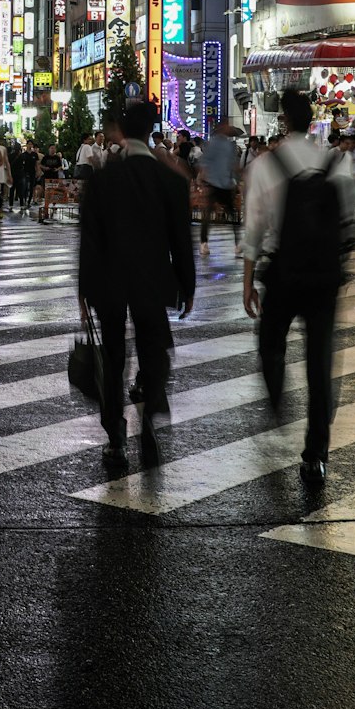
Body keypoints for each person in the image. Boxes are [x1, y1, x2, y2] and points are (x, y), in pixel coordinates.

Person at [242, 88, 355, 484]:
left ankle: (277, 398)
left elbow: (254, 230)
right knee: (320, 364)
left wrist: (247, 284)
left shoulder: (265, 165)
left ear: (284, 121)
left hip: (283, 273)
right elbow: (350, 223)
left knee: (270, 345)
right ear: (311, 122)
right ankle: (316, 455)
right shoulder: (336, 162)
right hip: (323, 277)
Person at [78, 98, 195, 470]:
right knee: (153, 349)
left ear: (124, 132)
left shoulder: (102, 180)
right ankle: (149, 422)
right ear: (151, 131)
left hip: (109, 280)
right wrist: (186, 287)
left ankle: (115, 435)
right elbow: (181, 240)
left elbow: (89, 239)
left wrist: (84, 288)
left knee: (113, 358)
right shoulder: (170, 181)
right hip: (152, 279)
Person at [198, 118, 241, 256]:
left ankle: (205, 243)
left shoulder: (225, 144)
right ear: (223, 126)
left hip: (219, 183)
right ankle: (235, 245)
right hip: (218, 183)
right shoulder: (218, 143)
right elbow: (206, 162)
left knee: (211, 215)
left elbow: (232, 165)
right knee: (229, 215)